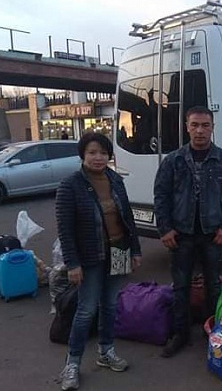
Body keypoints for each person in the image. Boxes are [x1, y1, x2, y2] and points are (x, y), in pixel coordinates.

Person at [154, 106, 222, 358]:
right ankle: (180, 334)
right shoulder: (173, 160)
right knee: (180, 286)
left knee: (213, 285)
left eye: (205, 125)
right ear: (187, 127)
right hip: (181, 234)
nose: (200, 130)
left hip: (212, 234)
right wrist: (165, 229)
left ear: (213, 127)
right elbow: (161, 196)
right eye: (194, 125)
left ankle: (213, 331)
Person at [55, 132, 142, 391]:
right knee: (86, 310)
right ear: (83, 154)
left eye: (103, 153)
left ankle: (106, 352)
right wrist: (72, 264)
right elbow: (65, 229)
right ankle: (72, 364)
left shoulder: (115, 179)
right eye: (92, 152)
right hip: (90, 257)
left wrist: (135, 250)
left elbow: (127, 218)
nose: (98, 158)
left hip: (118, 251)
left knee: (110, 306)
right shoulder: (70, 185)